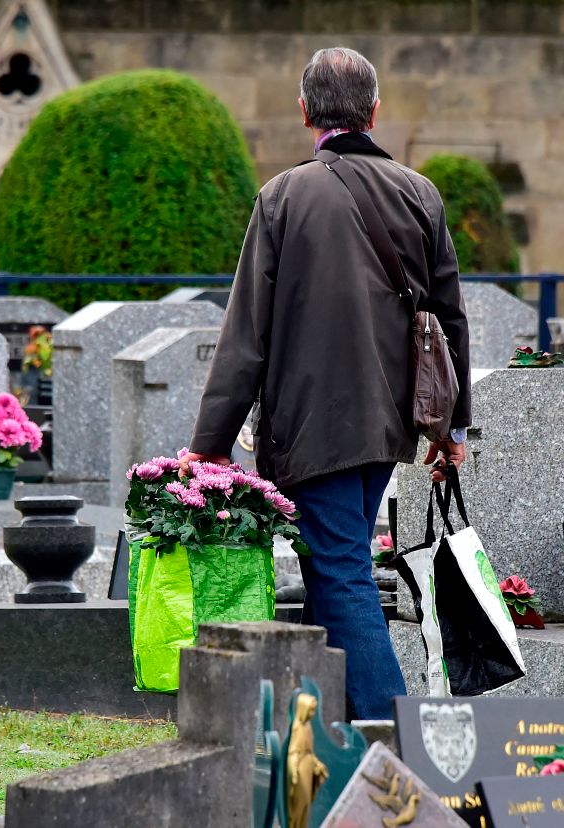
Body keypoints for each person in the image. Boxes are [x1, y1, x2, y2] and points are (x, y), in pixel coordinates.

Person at [181, 47, 470, 719]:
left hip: (313, 424)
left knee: (339, 572)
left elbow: (247, 333)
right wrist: (449, 429)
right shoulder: (421, 193)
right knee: (332, 567)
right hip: (392, 422)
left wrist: (210, 442)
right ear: (375, 111)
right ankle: (326, 741)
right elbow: (450, 322)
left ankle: (396, 746)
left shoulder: (283, 196)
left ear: (305, 111)